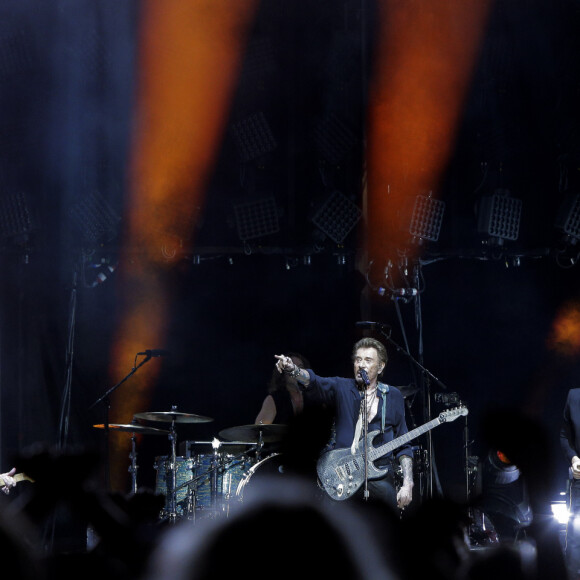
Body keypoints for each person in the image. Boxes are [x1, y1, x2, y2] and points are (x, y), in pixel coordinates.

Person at [275, 337, 414, 511]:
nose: (361, 364)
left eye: (368, 360)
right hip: (343, 474)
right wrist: (293, 369)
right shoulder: (342, 387)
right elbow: (314, 381)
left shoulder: (392, 396)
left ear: (381, 367)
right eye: (358, 359)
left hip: (380, 476)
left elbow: (404, 443)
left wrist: (408, 483)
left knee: (386, 526)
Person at [255, 352, 310, 425]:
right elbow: (260, 431)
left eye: (300, 367)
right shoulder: (273, 400)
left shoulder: (315, 396)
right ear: (283, 373)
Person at [560, 387, 580, 578]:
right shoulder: (574, 396)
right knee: (575, 537)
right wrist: (574, 458)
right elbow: (565, 436)